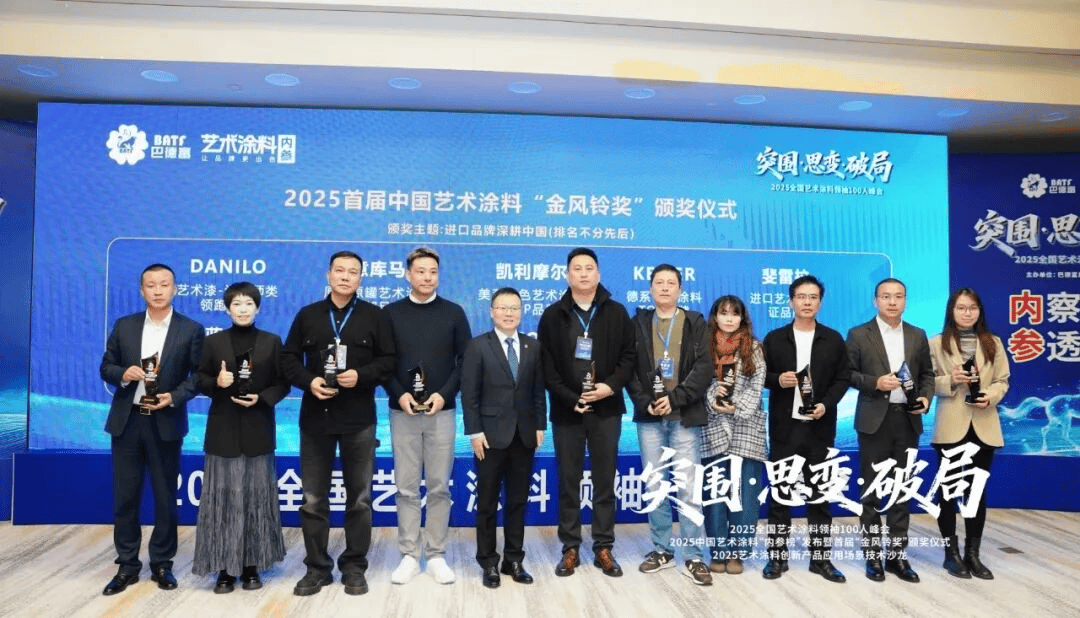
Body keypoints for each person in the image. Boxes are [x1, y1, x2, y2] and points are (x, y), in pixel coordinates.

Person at [281, 251, 396, 596]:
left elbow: (389, 361)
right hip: (315, 419)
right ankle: (317, 568)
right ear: (328, 274)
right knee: (313, 499)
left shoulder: (375, 316)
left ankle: (354, 566)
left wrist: (361, 375)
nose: (346, 276)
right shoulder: (308, 315)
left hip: (358, 420)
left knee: (359, 499)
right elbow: (288, 359)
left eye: (353, 272)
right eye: (340, 270)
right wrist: (309, 381)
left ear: (361, 278)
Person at [99, 263, 205, 595]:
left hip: (165, 421)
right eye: (151, 285)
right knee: (125, 497)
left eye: (164, 284)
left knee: (165, 496)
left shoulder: (191, 329)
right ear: (141, 290)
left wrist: (174, 396)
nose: (158, 290)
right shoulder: (125, 325)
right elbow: (106, 366)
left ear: (175, 289)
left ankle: (162, 562)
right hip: (128, 421)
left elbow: (199, 376)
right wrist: (123, 374)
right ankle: (127, 564)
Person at [537, 247, 636, 578]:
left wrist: (609, 386)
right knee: (569, 481)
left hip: (607, 409)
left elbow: (629, 357)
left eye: (589, 268)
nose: (583, 273)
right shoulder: (552, 315)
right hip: (568, 412)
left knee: (605, 480)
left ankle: (604, 547)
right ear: (567, 275)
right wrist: (570, 398)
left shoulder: (616, 312)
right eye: (576, 268)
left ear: (598, 274)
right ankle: (570, 547)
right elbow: (547, 367)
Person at [192, 282, 289, 593]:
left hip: (258, 427)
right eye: (237, 304)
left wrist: (262, 398)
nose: (243, 309)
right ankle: (224, 568)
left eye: (249, 303)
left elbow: (283, 383)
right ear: (226, 309)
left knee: (256, 500)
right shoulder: (213, 342)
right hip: (224, 430)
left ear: (258, 308)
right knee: (223, 500)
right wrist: (217, 382)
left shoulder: (272, 342)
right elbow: (199, 379)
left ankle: (251, 566)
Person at [383, 247, 472, 585]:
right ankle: (409, 554)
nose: (427, 277)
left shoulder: (453, 313)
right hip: (402, 410)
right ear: (408, 274)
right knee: (406, 487)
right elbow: (384, 362)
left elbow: (464, 361)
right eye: (420, 271)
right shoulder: (390, 313)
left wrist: (444, 394)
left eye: (433, 271)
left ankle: (435, 554)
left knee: (438, 487)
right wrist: (399, 393)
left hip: (441, 411)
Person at [626, 265, 713, 585]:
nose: (664, 287)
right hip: (650, 418)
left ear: (680, 290)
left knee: (688, 488)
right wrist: (645, 401)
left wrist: (674, 399)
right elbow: (629, 369)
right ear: (650, 289)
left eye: (671, 283)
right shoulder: (638, 323)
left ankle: (694, 555)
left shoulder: (695, 322)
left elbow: (704, 368)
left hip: (683, 418)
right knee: (655, 486)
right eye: (659, 282)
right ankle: (662, 550)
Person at [761, 275, 850, 583]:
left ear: (820, 303)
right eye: (801, 297)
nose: (807, 302)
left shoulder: (833, 339)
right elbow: (760, 375)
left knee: (820, 497)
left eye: (813, 297)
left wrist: (826, 404)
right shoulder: (775, 338)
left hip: (819, 429)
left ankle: (820, 560)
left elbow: (843, 378)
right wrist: (777, 380)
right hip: (785, 429)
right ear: (791, 301)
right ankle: (777, 558)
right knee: (780, 496)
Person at [846, 277, 934, 583]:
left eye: (898, 296)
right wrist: (876, 382)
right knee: (871, 492)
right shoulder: (859, 334)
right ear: (876, 301)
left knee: (902, 491)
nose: (892, 301)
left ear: (905, 300)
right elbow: (848, 374)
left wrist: (925, 399)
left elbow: (927, 375)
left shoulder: (917, 334)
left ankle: (897, 556)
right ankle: (873, 556)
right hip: (874, 422)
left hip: (907, 421)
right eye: (886, 296)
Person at [460, 287, 547, 589]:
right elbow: (469, 394)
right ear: (492, 312)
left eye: (514, 308)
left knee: (517, 501)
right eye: (503, 307)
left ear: (521, 312)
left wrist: (540, 425)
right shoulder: (477, 346)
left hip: (524, 435)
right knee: (486, 503)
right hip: (489, 437)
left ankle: (514, 560)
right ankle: (488, 562)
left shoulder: (533, 346)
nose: (509, 313)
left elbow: (538, 390)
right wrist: (474, 432)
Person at [929, 288, 1009, 580]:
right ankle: (950, 555)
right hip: (951, 426)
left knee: (976, 492)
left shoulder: (993, 342)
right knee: (948, 492)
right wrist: (950, 380)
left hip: (984, 425)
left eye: (972, 308)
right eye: (961, 307)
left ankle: (972, 554)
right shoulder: (936, 343)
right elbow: (927, 381)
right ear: (952, 311)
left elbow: (1003, 380)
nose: (967, 313)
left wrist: (991, 396)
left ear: (979, 311)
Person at [700, 295, 766, 578]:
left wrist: (736, 406)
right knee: (715, 493)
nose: (729, 318)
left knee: (745, 495)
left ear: (742, 318)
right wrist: (713, 399)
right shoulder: (703, 346)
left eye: (734, 313)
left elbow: (757, 384)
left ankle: (738, 552)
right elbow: (698, 381)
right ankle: (718, 551)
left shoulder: (754, 347)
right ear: (715, 316)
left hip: (746, 427)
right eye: (723, 313)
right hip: (713, 425)